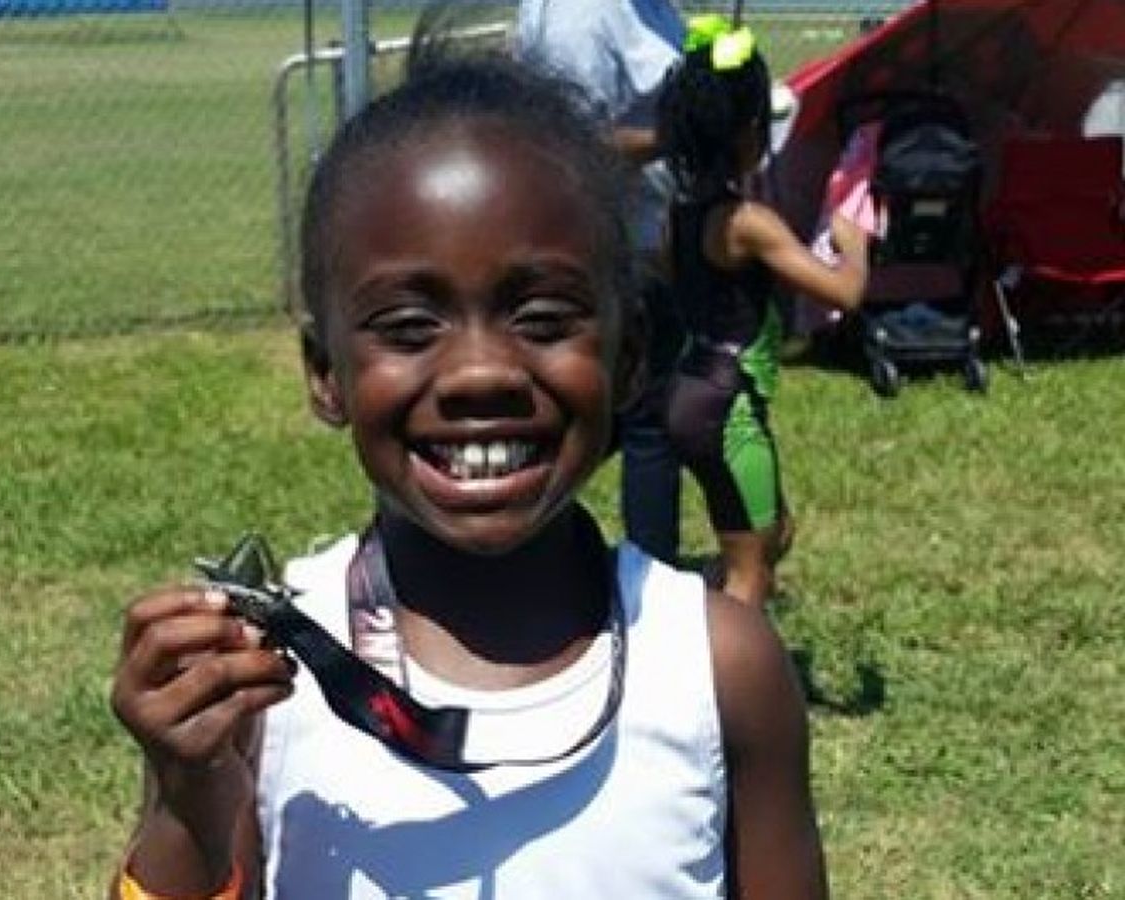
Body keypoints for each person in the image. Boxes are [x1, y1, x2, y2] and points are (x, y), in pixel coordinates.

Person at [108, 15, 827, 899]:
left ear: (631, 356)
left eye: (543, 317)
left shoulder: (720, 668)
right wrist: (186, 804)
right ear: (326, 374)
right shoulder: (260, 680)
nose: (481, 372)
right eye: (410, 326)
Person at [656, 16, 870, 607]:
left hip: (689, 390)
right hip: (729, 407)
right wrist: (852, 244)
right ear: (749, 132)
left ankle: (698, 614)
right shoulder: (747, 223)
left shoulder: (680, 212)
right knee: (751, 574)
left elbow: (670, 277)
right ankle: (724, 659)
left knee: (774, 533)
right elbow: (843, 294)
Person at [516, 0, 687, 564]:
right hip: (611, 247)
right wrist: (680, 134)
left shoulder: (651, 8)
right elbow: (568, 145)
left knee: (631, 413)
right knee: (650, 421)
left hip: (656, 240)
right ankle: (651, 573)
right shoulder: (580, 15)